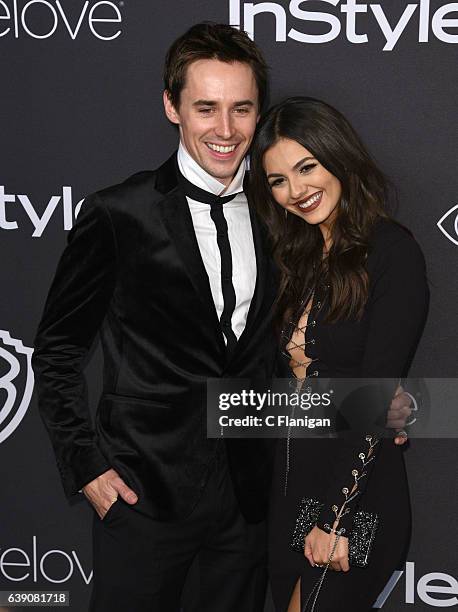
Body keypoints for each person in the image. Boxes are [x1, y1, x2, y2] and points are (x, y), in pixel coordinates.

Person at [32, 24, 413, 612]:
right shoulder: (118, 213)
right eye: (206, 108)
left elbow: (294, 356)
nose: (226, 129)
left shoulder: (281, 216)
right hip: (142, 495)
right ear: (172, 107)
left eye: (241, 109)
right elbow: (57, 350)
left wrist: (384, 405)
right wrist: (86, 466)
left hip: (252, 503)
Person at [249, 97, 429, 611]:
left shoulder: (392, 252)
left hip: (358, 498)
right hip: (289, 490)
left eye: (307, 167)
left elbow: (374, 396)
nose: (296, 191)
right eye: (278, 180)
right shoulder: (293, 259)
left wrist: (336, 518)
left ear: (338, 156)